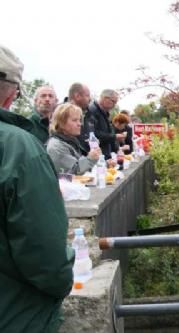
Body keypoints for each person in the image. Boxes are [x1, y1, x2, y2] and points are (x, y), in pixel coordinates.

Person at [0, 44, 74, 332]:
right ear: (11, 94)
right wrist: (63, 276)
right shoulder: (18, 147)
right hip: (15, 313)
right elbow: (45, 253)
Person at [46, 103, 101, 175]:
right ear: (61, 123)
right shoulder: (56, 146)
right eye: (75, 120)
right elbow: (73, 173)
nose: (79, 124)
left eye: (79, 120)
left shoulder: (69, 141)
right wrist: (90, 158)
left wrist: (94, 152)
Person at [86, 89, 126, 159]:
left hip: (105, 155)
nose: (114, 105)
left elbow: (107, 132)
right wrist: (114, 136)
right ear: (105, 98)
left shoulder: (104, 113)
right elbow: (93, 134)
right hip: (97, 156)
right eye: (113, 102)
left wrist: (117, 148)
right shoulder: (92, 111)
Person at [68, 82, 92, 152]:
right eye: (87, 95)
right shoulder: (62, 114)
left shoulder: (88, 114)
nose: (90, 99)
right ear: (77, 96)